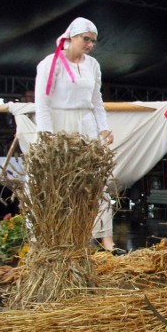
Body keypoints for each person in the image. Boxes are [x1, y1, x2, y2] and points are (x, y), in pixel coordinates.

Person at [34, 17, 119, 252]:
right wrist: (46, 136)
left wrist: (103, 127)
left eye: (93, 41)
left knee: (95, 180)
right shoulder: (50, 64)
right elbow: (42, 103)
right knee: (59, 182)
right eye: (86, 39)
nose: (90, 44)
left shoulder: (92, 65)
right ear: (71, 36)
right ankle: (62, 239)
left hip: (86, 123)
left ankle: (106, 239)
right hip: (59, 123)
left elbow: (96, 100)